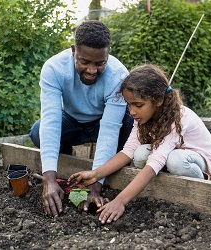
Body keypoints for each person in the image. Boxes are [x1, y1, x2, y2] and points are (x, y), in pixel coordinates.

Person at [67, 63, 211, 224]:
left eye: (138, 105)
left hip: (197, 160)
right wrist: (96, 174)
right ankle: (168, 185)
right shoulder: (142, 119)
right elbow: (128, 150)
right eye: (129, 104)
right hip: (170, 155)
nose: (132, 111)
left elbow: (156, 161)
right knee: (139, 153)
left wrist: (120, 201)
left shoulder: (177, 117)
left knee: (175, 160)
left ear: (158, 100)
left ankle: (202, 184)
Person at [29, 20, 134, 218]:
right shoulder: (54, 68)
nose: (92, 70)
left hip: (104, 122)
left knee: (131, 121)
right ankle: (63, 174)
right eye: (84, 61)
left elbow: (109, 130)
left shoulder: (118, 76)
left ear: (107, 56)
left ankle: (117, 168)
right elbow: (51, 120)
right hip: (73, 121)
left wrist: (95, 188)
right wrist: (48, 178)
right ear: (73, 51)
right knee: (38, 131)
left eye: (99, 63)